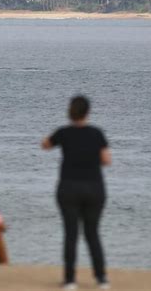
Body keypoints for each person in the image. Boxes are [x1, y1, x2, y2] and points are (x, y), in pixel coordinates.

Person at [42, 95, 112, 290]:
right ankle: (101, 278)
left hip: (68, 188)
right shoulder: (97, 134)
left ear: (70, 112)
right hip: (94, 188)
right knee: (92, 233)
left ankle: (70, 280)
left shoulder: (64, 133)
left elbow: (45, 144)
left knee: (70, 234)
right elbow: (106, 160)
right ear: (88, 112)